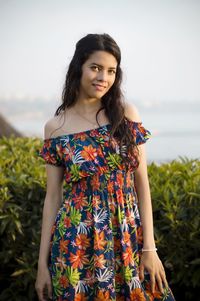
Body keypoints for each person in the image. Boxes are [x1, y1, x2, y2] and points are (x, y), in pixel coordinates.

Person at [35, 33, 175, 301]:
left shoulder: (125, 114)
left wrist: (150, 248)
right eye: (96, 68)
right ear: (78, 68)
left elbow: (141, 183)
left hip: (128, 235)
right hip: (77, 242)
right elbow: (52, 197)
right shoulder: (56, 128)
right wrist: (42, 264)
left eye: (111, 71)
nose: (103, 78)